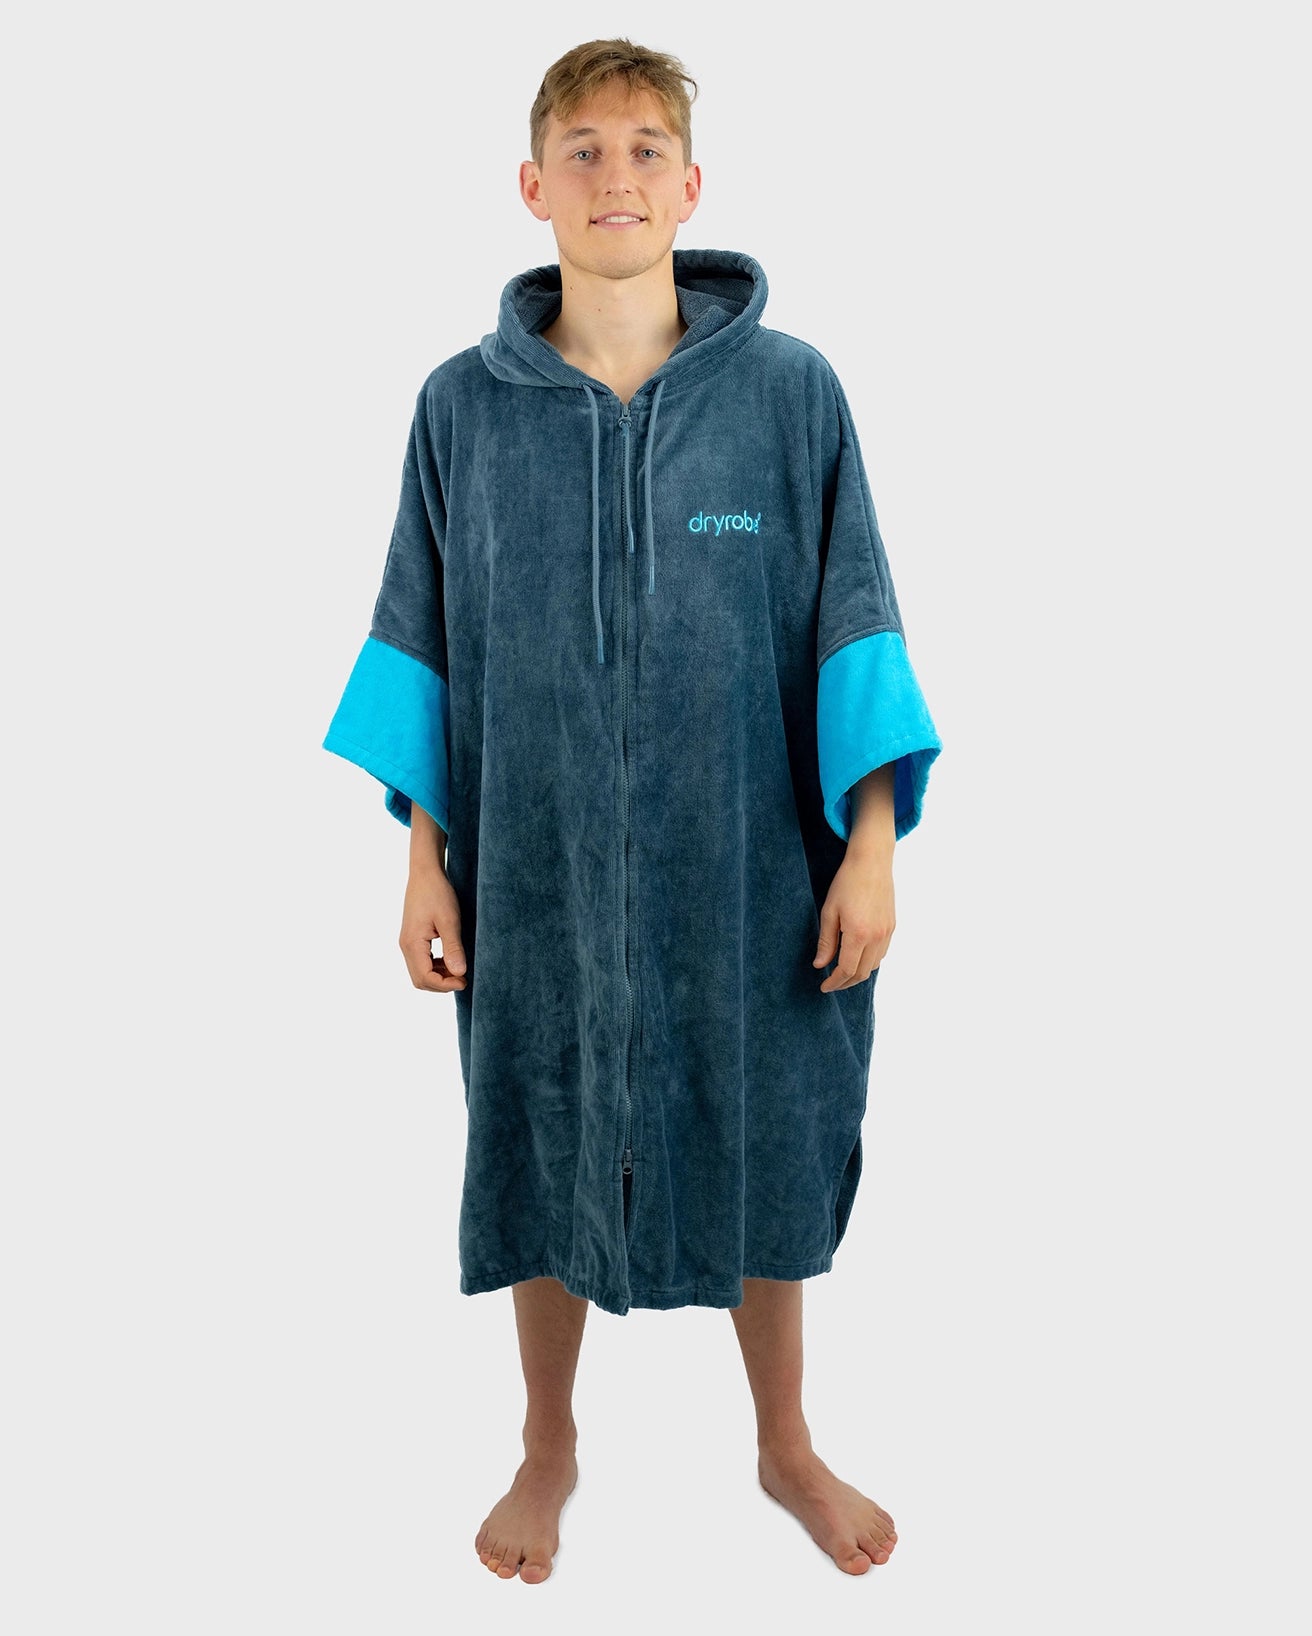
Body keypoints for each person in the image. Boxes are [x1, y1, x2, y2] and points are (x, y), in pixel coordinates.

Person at [323, 37, 942, 1584]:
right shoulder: (462, 410)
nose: (617, 177)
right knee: (537, 1123)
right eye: (584, 152)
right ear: (532, 188)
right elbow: (423, 640)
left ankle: (784, 1441)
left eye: (645, 149)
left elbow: (856, 625)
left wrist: (871, 845)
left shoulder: (790, 397)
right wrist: (426, 861)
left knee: (767, 1124)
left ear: (693, 185)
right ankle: (549, 1442)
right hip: (532, 863)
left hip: (752, 863)